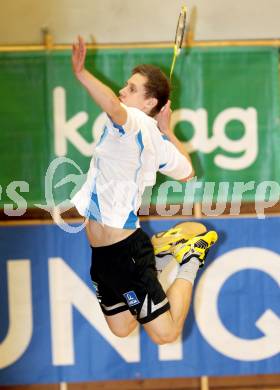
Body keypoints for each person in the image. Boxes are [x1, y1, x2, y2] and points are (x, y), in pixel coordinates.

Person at [71, 36, 217, 345]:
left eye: (132, 89)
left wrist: (82, 74)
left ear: (150, 104)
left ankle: (190, 258)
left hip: (125, 255)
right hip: (105, 255)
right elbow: (187, 173)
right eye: (126, 86)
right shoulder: (154, 138)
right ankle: (161, 255)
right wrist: (169, 132)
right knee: (122, 328)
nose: (123, 91)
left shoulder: (134, 121)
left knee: (167, 334)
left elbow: (112, 105)